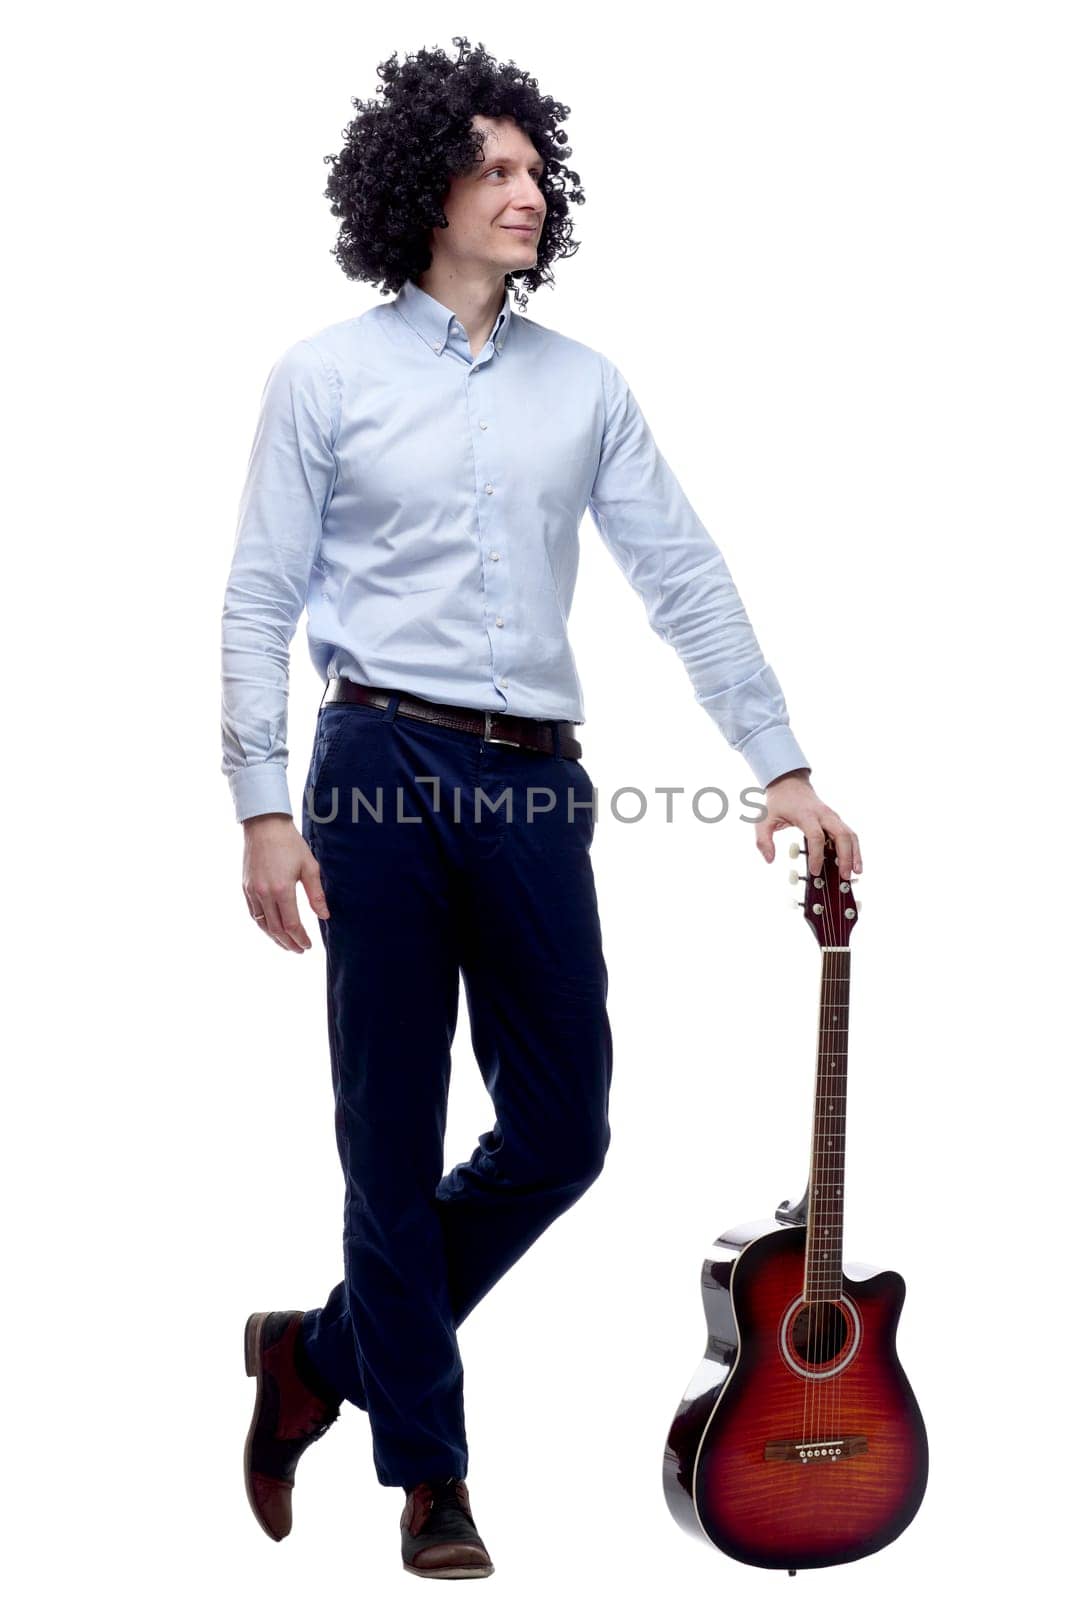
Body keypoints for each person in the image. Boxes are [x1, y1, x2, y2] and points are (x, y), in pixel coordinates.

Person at [221, 36, 861, 1580]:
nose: (527, 192)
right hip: (372, 768)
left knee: (563, 1129)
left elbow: (684, 578)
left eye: (534, 169)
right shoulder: (323, 377)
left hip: (532, 784)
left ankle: (319, 1351)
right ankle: (429, 1475)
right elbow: (257, 595)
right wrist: (259, 802)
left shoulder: (588, 388)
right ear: (419, 187)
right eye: (494, 168)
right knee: (390, 1131)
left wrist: (781, 765)